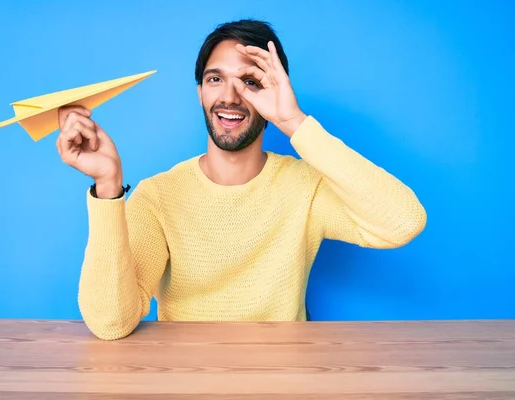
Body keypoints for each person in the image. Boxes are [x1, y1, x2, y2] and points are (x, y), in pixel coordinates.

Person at [55, 19, 427, 340]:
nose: (230, 96)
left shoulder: (305, 187)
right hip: (187, 382)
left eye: (250, 81)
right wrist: (108, 186)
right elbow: (111, 324)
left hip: (284, 380)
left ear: (275, 91)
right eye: (215, 78)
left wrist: (294, 122)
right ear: (200, 92)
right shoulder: (158, 196)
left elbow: (402, 222)